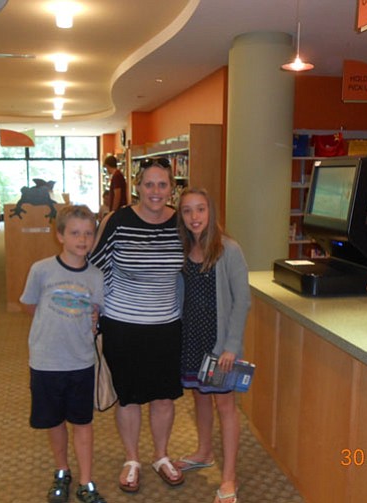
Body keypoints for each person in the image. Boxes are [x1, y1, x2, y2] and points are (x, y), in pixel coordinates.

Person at [90, 157, 185, 493]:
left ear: (172, 188)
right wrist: (91, 308)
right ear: (138, 187)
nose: (155, 192)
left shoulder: (182, 223)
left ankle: (160, 455)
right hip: (122, 323)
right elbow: (95, 265)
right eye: (149, 184)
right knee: (128, 397)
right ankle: (132, 459)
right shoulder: (118, 220)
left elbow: (205, 257)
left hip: (166, 325)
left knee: (163, 397)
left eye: (162, 185)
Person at [20, 204, 107, 503]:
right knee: (54, 421)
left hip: (81, 361)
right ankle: (62, 470)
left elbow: (96, 312)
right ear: (60, 236)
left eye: (88, 234)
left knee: (82, 422)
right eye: (74, 233)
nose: (82, 240)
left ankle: (86, 481)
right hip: (46, 361)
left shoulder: (96, 276)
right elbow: (30, 306)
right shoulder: (41, 270)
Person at [173, 187, 251, 503]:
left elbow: (242, 301)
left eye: (200, 209)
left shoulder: (228, 250)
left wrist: (231, 346)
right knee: (200, 398)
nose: (194, 217)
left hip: (219, 345)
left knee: (225, 405)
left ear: (211, 212)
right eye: (188, 210)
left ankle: (229, 478)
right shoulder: (182, 249)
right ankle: (204, 452)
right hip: (191, 339)